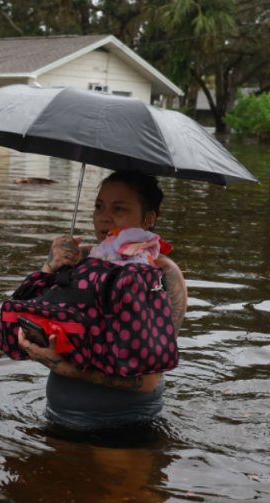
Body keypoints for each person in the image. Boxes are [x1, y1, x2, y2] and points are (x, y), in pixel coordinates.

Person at [16, 170, 188, 431]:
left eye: (119, 209)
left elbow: (148, 381)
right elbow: (27, 313)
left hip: (125, 425)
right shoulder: (81, 258)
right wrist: (51, 267)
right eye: (99, 206)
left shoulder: (161, 273)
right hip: (59, 416)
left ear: (148, 218)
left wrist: (64, 368)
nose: (104, 218)